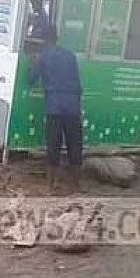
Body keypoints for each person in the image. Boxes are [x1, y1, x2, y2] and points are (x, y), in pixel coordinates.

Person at [28, 25, 84, 193]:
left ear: (44, 41)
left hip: (55, 107)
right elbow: (78, 84)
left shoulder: (43, 58)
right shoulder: (70, 56)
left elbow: (31, 79)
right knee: (75, 145)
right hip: (73, 106)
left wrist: (33, 63)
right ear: (57, 38)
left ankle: (50, 186)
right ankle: (76, 185)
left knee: (54, 146)